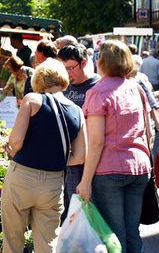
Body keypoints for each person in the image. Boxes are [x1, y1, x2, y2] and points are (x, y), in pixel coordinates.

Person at [1, 58, 87, 253]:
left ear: (38, 80)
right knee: (47, 243)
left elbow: (16, 141)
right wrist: (53, 158)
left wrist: (12, 151)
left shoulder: (32, 100)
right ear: (63, 79)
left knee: (12, 240)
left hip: (22, 176)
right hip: (53, 183)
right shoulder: (78, 112)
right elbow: (81, 156)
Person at [77, 40, 151, 253]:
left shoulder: (98, 92)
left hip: (109, 170)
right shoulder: (136, 88)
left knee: (114, 235)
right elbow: (147, 131)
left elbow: (97, 141)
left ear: (101, 62)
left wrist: (85, 181)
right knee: (132, 231)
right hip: (139, 167)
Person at [56, 43, 100, 217]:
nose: (66, 73)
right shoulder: (64, 87)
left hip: (92, 161)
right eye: (63, 68)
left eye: (70, 68)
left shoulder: (97, 86)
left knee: (88, 211)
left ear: (83, 63)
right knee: (72, 211)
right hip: (70, 160)